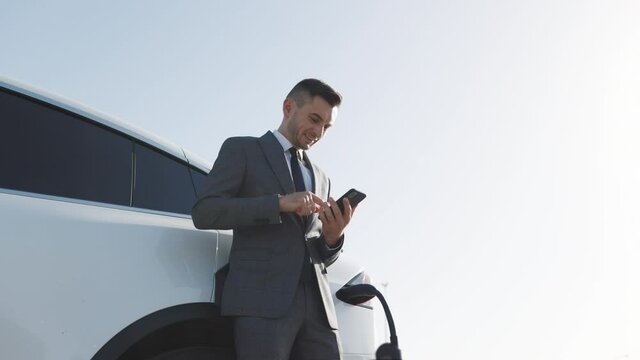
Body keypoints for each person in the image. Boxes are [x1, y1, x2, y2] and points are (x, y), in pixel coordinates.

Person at [192, 78, 355, 360]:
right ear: (289, 107)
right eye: (314, 119)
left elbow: (315, 248)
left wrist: (332, 236)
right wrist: (278, 204)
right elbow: (205, 212)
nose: (318, 131)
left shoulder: (322, 177)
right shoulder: (242, 150)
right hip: (261, 302)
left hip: (319, 309)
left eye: (326, 127)